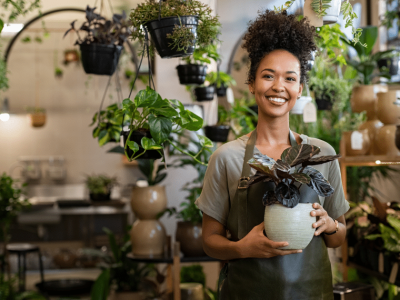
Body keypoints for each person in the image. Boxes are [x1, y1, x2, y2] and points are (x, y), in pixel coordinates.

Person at [195, 9, 350, 300]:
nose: (279, 86)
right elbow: (209, 241)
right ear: (252, 84)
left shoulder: (322, 154)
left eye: (290, 79)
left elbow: (339, 237)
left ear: (299, 89)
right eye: (268, 76)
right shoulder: (227, 158)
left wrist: (330, 224)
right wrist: (243, 248)